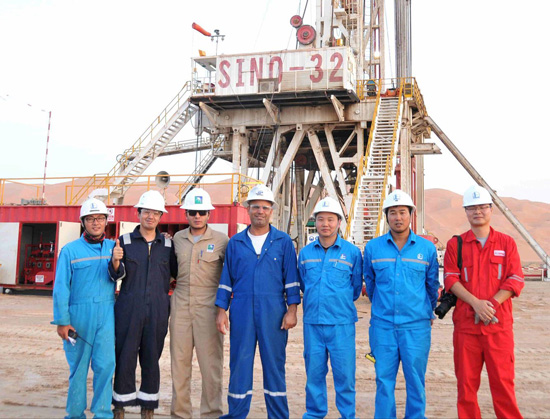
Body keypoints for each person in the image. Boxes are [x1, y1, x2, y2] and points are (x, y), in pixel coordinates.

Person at [215, 184, 301, 419]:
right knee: (239, 363)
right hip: (241, 309)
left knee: (274, 364)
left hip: (273, 311)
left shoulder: (283, 241)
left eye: (264, 207)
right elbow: (226, 279)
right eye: (255, 207)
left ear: (271, 210)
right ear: (248, 209)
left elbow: (291, 279)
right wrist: (221, 310)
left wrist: (292, 310)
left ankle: (278, 416)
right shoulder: (236, 242)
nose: (260, 211)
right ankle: (236, 414)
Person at [443, 185, 524, 419]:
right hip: (466, 329)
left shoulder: (506, 243)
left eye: (482, 207)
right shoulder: (455, 245)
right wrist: (476, 304)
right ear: (465, 211)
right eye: (472, 208)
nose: (477, 211)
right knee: (466, 387)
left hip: (498, 328)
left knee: (503, 385)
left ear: (491, 209)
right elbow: (451, 279)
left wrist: (491, 305)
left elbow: (515, 279)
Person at [363, 189, 439, 419]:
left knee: (415, 380)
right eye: (393, 212)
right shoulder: (373, 248)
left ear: (411, 215)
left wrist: (425, 312)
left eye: (402, 212)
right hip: (383, 327)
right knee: (384, 380)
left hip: (416, 327)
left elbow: (432, 286)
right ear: (387, 216)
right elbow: (371, 285)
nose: (398, 217)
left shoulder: (427, 249)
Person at [109, 190, 178, 419]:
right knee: (124, 356)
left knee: (151, 358)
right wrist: (115, 261)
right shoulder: (124, 242)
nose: (151, 216)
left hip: (158, 309)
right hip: (128, 308)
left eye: (156, 213)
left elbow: (177, 274)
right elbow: (115, 275)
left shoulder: (167, 245)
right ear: (138, 213)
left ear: (161, 216)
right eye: (146, 212)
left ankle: (147, 409)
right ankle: (119, 407)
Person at [298, 197, 363, 418]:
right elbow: (304, 283)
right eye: (321, 219)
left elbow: (355, 288)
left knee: (345, 375)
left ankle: (347, 415)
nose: (325, 224)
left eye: (331, 219)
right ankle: (315, 414)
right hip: (313, 323)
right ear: (315, 222)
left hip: (341, 324)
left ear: (339, 222)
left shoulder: (352, 253)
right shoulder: (305, 253)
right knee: (314, 374)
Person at [52, 198, 117, 419]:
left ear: (106, 221)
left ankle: (102, 414)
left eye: (99, 218)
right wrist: (62, 321)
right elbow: (61, 288)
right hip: (78, 318)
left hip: (107, 315)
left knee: (106, 366)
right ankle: (75, 415)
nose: (95, 223)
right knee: (79, 369)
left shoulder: (114, 248)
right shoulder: (70, 251)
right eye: (90, 219)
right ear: (83, 222)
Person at [170, 189, 229, 418]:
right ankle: (180, 414)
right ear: (186, 214)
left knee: (211, 366)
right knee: (179, 365)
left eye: (202, 212)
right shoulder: (177, 239)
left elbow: (231, 275)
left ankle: (212, 413)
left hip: (209, 306)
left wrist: (223, 309)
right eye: (193, 212)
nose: (197, 216)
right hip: (181, 304)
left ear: (209, 214)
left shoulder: (221, 241)